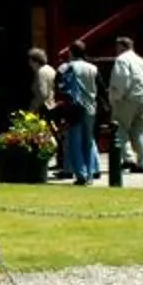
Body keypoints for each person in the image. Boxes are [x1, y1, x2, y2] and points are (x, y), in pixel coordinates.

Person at [106, 35, 143, 173]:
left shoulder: (122, 60)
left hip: (127, 99)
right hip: (142, 98)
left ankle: (128, 159)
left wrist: (116, 97)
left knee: (120, 128)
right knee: (140, 130)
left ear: (121, 46)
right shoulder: (140, 60)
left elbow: (122, 80)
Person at [55, 43, 101, 183]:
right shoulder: (93, 68)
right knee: (89, 141)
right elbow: (101, 89)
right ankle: (91, 172)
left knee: (74, 140)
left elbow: (58, 88)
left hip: (73, 107)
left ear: (70, 52)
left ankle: (81, 174)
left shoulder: (65, 68)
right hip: (90, 107)